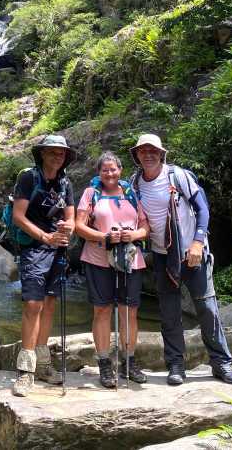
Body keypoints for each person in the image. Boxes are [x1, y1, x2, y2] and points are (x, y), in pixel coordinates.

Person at [129, 133, 232, 386]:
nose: (148, 154)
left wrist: (198, 243)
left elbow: (203, 208)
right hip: (161, 256)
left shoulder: (177, 176)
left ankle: (221, 363)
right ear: (136, 155)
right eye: (143, 150)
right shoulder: (134, 183)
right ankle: (176, 365)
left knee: (207, 308)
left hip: (192, 252)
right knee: (169, 313)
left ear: (161, 153)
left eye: (153, 150)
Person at [74, 151, 149, 388]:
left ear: (121, 170)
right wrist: (104, 237)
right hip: (98, 259)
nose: (109, 173)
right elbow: (79, 226)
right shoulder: (90, 193)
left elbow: (145, 226)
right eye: (105, 170)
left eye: (113, 169)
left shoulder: (130, 193)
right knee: (102, 311)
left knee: (130, 312)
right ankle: (105, 363)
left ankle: (129, 362)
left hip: (129, 259)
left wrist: (134, 234)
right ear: (99, 172)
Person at [11, 134, 76, 397]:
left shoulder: (65, 182)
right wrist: (45, 236)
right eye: (52, 152)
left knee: (49, 305)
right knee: (33, 305)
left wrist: (66, 229)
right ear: (42, 154)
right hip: (34, 249)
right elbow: (18, 216)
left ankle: (44, 365)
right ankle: (25, 372)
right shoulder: (28, 178)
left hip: (58, 250)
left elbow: (71, 218)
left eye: (61, 153)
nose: (57, 156)